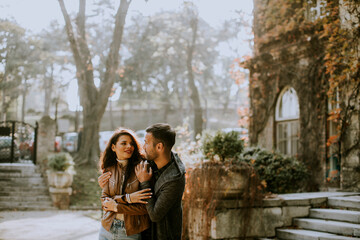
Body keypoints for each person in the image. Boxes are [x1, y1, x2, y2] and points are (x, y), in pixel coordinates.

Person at [98, 128, 153, 240]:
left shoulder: (142, 168)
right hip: (106, 228)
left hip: (130, 232)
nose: (129, 146)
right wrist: (128, 198)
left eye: (131, 144)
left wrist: (117, 206)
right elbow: (105, 201)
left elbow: (146, 208)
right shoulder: (109, 169)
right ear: (113, 147)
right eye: (124, 143)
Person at [135, 123, 186, 240]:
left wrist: (144, 182)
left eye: (146, 143)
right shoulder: (154, 163)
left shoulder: (174, 179)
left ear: (159, 147)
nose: (143, 146)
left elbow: (155, 215)